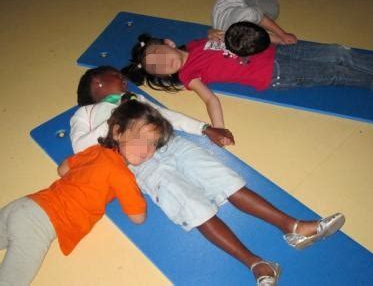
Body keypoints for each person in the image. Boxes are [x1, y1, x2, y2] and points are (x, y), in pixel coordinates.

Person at [72, 66, 346, 286]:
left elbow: (168, 118)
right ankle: (255, 263)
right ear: (97, 81)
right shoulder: (84, 113)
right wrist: (115, 112)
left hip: (170, 144)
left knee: (227, 181)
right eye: (116, 76)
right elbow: (79, 147)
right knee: (195, 210)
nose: (124, 80)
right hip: (141, 164)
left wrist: (204, 128)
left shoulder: (134, 99)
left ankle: (293, 227)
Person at [0, 99, 174, 285]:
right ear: (117, 132)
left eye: (154, 144)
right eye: (142, 139)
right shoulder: (122, 174)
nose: (147, 149)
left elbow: (63, 169)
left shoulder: (95, 151)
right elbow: (138, 217)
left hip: (25, 205)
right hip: (39, 223)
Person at [121, 24, 373, 129]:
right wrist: (218, 127)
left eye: (159, 55)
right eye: (157, 68)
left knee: (339, 52)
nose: (164, 63)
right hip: (275, 73)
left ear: (168, 43)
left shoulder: (194, 45)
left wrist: (213, 33)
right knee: (334, 73)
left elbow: (216, 36)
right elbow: (211, 100)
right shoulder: (188, 75)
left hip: (273, 49)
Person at [210, 0, 298, 45]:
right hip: (229, 13)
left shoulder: (248, 14)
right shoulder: (228, 36)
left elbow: (262, 20)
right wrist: (280, 41)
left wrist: (283, 35)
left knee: (272, 11)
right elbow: (257, 36)